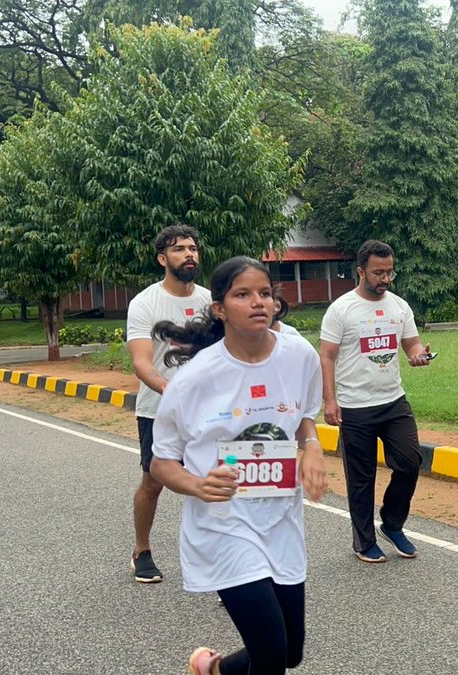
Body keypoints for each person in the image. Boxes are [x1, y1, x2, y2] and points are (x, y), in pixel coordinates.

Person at [149, 256, 328, 675]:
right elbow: (161, 463)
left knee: (289, 653)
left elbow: (305, 414)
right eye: (242, 294)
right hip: (223, 524)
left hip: (280, 519)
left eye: (265, 293)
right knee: (269, 656)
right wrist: (196, 486)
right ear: (220, 308)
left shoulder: (298, 354)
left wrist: (312, 444)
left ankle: (213, 671)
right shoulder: (194, 380)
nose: (258, 302)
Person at [318, 240, 432, 563]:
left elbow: (411, 345)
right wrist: (330, 400)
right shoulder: (341, 309)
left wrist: (418, 355)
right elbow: (327, 356)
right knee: (361, 477)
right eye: (378, 272)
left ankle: (392, 524)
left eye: (389, 272)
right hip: (355, 406)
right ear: (360, 271)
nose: (385, 278)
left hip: (393, 401)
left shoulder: (399, 307)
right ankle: (364, 541)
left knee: (410, 462)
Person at [125, 224, 212, 583]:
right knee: (153, 482)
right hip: (158, 410)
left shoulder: (211, 300)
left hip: (209, 412)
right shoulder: (145, 302)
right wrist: (169, 389)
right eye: (179, 249)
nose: (189, 254)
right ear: (163, 259)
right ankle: (142, 550)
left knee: (213, 482)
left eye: (193, 248)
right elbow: (142, 361)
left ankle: (221, 564)